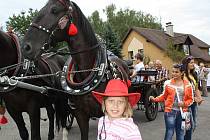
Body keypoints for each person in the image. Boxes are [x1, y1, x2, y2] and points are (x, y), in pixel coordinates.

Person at [149, 64, 193, 140]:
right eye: (173, 72)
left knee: (180, 132)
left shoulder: (188, 85)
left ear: (182, 73)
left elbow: (191, 99)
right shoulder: (168, 83)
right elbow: (164, 96)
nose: (174, 74)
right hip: (170, 111)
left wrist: (184, 103)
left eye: (176, 72)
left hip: (182, 112)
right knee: (169, 131)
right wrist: (154, 99)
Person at [181, 56, 204, 140]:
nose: (193, 64)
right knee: (189, 126)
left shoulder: (193, 74)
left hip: (194, 104)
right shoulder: (182, 75)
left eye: (193, 62)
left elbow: (196, 88)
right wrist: (194, 98)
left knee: (192, 126)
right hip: (186, 104)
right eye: (191, 62)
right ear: (186, 64)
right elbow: (182, 92)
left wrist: (200, 98)